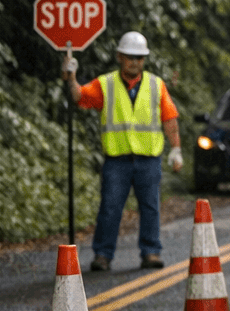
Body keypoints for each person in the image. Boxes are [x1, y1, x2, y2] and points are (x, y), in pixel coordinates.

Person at [63, 31, 184, 271]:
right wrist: (70, 77)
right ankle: (103, 255)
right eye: (130, 56)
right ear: (120, 56)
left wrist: (176, 149)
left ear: (144, 60)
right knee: (110, 207)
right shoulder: (106, 84)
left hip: (149, 160)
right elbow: (79, 96)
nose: (134, 62)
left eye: (139, 57)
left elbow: (169, 118)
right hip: (117, 161)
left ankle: (151, 253)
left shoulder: (155, 84)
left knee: (150, 208)